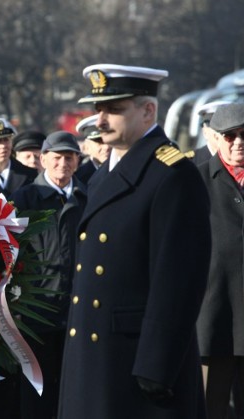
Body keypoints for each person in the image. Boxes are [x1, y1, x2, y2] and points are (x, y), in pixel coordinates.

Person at [57, 64, 211, 419]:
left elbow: (178, 283)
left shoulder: (171, 175)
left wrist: (156, 368)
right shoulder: (102, 176)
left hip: (137, 365)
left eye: (114, 110)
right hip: (96, 357)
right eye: (99, 109)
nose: (101, 120)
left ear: (147, 111)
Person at [10, 131, 87, 419]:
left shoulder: (87, 196)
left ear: (78, 162)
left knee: (72, 392)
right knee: (36, 394)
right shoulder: (24, 199)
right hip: (35, 315)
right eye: (56, 157)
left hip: (77, 313)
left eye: (69, 157)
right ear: (43, 160)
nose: (63, 164)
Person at [194, 103, 244, 419]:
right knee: (209, 408)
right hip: (213, 320)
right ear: (216, 138)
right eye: (230, 136)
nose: (238, 142)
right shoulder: (195, 181)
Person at [191, 101, 230, 166]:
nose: (221, 133)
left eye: (228, 128)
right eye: (216, 128)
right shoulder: (192, 162)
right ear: (205, 132)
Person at [74, 114, 110, 183]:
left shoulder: (127, 169)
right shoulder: (78, 179)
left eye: (109, 141)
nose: (106, 147)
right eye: (99, 142)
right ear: (87, 148)